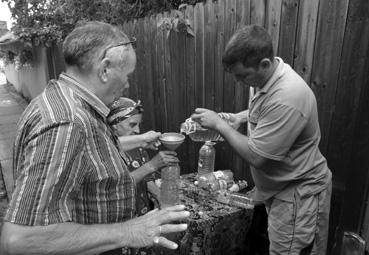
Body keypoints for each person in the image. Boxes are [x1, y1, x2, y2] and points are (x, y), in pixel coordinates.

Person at [0, 21, 189, 255]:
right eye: (127, 75)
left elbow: (91, 160)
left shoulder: (67, 103)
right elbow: (20, 242)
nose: (128, 84)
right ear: (105, 69)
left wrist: (140, 141)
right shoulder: (67, 123)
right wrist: (130, 231)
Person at [191, 24, 332, 255]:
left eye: (242, 76)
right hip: (280, 191)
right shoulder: (267, 79)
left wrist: (219, 125)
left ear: (264, 64)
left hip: (298, 195)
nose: (239, 81)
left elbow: (258, 156)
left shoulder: (288, 95)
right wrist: (239, 118)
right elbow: (267, 111)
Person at [107, 97, 179, 215]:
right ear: (115, 124)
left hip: (143, 210)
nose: (138, 130)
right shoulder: (106, 152)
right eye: (132, 124)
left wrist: (161, 198)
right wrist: (152, 165)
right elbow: (117, 186)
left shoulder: (138, 147)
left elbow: (147, 180)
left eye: (139, 124)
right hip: (122, 217)